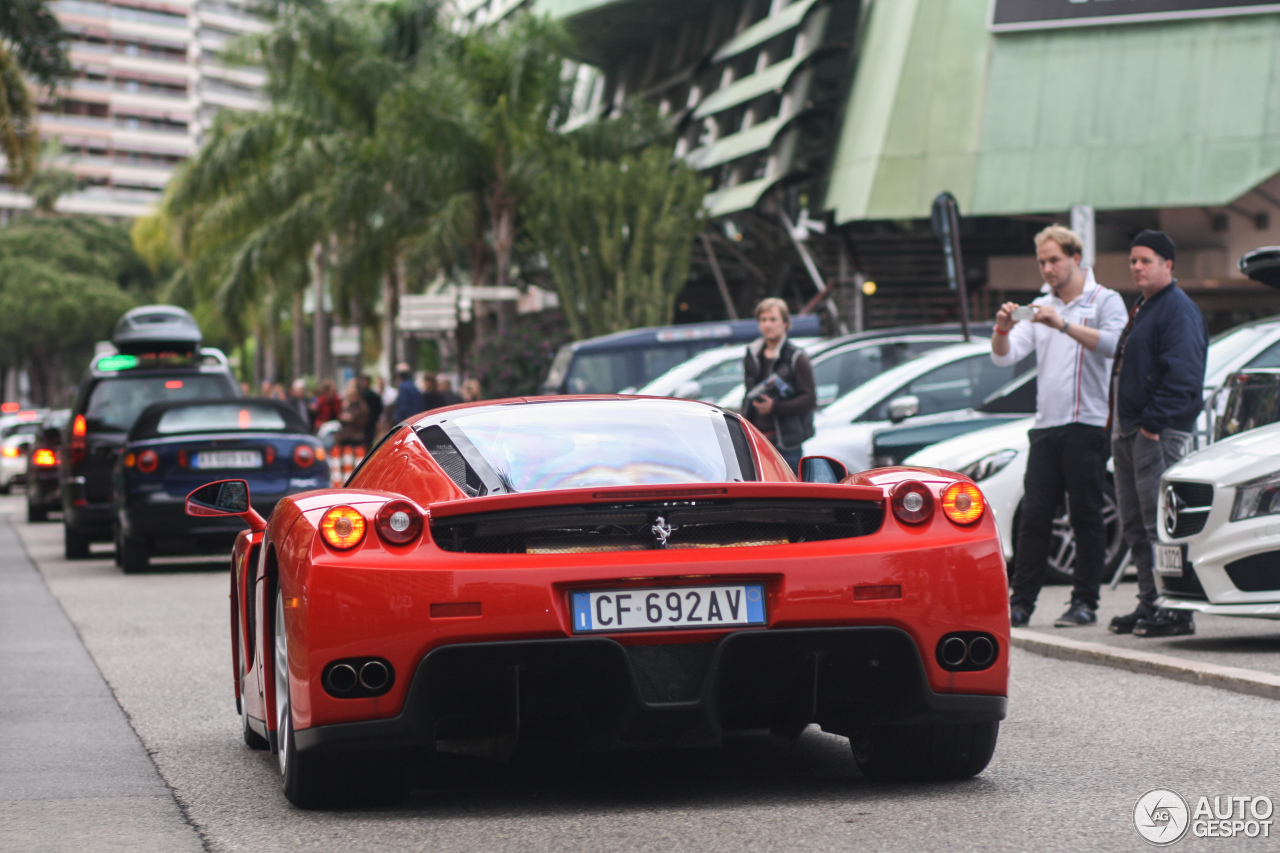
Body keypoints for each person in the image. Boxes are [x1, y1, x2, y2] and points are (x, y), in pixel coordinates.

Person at [992, 225, 1129, 628]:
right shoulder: (1040, 306)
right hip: (1047, 424)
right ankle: (1021, 603)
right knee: (1035, 516)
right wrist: (1002, 328)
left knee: (1086, 515)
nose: (1048, 269)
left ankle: (1084, 602)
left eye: (1054, 260)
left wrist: (1064, 325)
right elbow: (1005, 356)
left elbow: (1116, 344)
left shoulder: (1104, 299)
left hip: (1087, 422)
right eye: (1042, 262)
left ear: (1074, 258)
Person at [1109, 230, 1209, 638]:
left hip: (1155, 433)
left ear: (1168, 264)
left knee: (1160, 525)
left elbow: (1184, 376)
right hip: (1129, 430)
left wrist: (1152, 426)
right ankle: (1150, 602)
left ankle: (1175, 610)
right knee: (1134, 524)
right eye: (1133, 260)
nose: (1137, 267)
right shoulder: (1143, 306)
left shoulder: (1177, 310)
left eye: (1145, 260)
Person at [742, 297, 816, 473]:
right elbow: (748, 392)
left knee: (789, 494)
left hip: (786, 441)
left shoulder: (796, 357)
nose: (768, 325)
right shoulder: (752, 354)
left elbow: (809, 400)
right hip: (757, 439)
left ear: (785, 323)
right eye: (763, 320)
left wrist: (775, 406)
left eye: (773, 319)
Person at [336, 378, 369, 450]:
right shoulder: (345, 403)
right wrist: (343, 418)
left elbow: (364, 420)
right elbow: (339, 417)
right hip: (345, 436)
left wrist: (352, 418)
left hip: (357, 437)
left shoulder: (361, 404)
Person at [358, 375, 383, 449]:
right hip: (361, 426)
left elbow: (378, 409)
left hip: (370, 424)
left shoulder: (373, 397)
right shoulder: (359, 395)